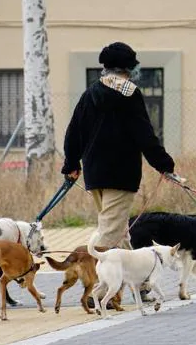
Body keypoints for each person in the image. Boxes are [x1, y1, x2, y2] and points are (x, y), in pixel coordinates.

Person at [61, 42, 177, 304]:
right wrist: (164, 164)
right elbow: (144, 134)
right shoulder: (130, 95)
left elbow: (73, 132)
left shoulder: (90, 93)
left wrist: (71, 164)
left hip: (94, 174)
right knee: (109, 234)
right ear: (129, 68)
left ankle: (141, 285)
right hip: (121, 174)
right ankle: (95, 291)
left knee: (121, 233)